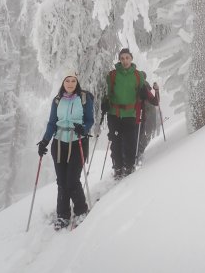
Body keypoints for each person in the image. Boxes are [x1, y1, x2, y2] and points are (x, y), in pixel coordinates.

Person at [37, 70, 94, 230]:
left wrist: (83, 129)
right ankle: (62, 215)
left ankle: (81, 210)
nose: (70, 84)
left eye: (73, 81)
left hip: (78, 143)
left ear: (77, 82)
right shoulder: (57, 100)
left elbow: (90, 120)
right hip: (59, 143)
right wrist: (44, 142)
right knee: (61, 181)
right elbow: (52, 123)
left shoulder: (84, 98)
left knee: (72, 180)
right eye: (67, 80)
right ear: (63, 82)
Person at [101, 48, 158, 179]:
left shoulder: (138, 76)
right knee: (115, 143)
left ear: (131, 59)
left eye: (127, 58)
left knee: (130, 143)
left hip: (131, 114)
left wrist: (146, 93)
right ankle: (118, 168)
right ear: (119, 60)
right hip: (114, 114)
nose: (125, 61)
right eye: (122, 58)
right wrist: (105, 102)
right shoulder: (112, 75)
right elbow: (109, 94)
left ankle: (129, 167)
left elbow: (147, 95)